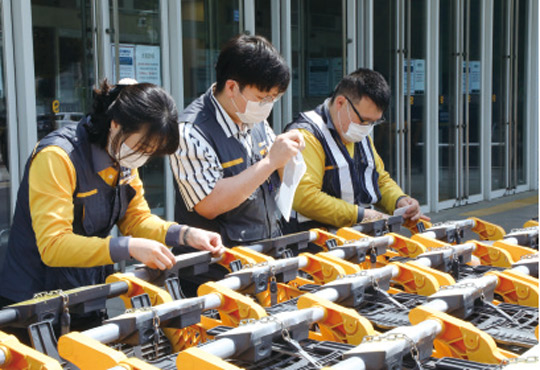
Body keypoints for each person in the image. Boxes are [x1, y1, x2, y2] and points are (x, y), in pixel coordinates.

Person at [0, 79, 225, 309]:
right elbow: (53, 245)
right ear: (116, 124)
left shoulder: (122, 156)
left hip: (84, 296)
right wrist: (128, 247)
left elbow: (137, 219)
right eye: (142, 148)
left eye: (150, 153)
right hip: (33, 304)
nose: (143, 157)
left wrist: (186, 235)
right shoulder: (57, 157)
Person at [171, 34, 304, 248]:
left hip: (265, 249)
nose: (268, 105)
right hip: (216, 266)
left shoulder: (252, 116)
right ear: (232, 87)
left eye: (274, 98)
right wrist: (271, 161)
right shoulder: (190, 131)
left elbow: (274, 177)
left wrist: (288, 155)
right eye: (263, 98)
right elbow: (208, 203)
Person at [284, 68, 429, 232]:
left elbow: (378, 178)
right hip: (315, 243)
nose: (367, 128)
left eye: (374, 122)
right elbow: (305, 197)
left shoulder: (356, 132)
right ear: (340, 103)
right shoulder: (306, 135)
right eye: (364, 120)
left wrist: (399, 200)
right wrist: (361, 215)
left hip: (357, 237)